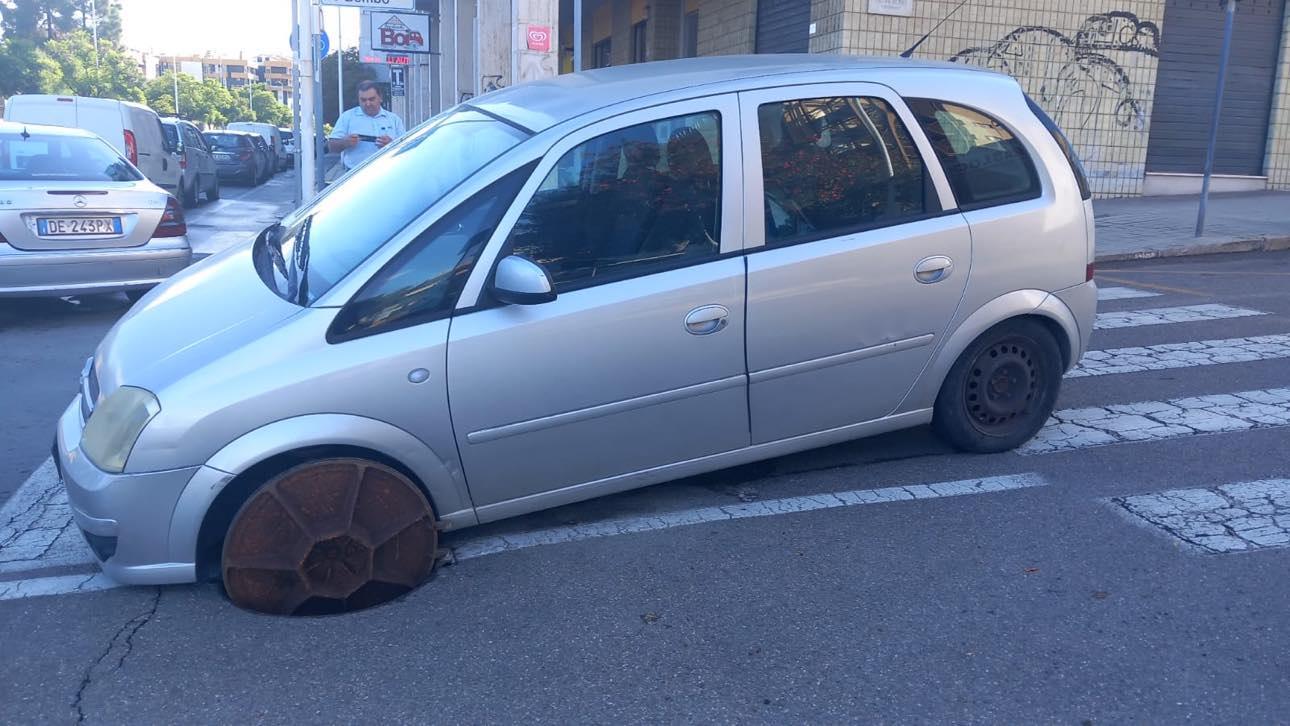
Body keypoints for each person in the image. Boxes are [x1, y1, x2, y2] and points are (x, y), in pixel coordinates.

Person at [326, 81, 406, 172]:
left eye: (371, 99)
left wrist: (391, 144)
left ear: (380, 98)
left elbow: (406, 148)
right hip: (355, 174)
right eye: (363, 100)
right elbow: (331, 146)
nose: (367, 104)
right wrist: (345, 142)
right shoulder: (347, 117)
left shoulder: (394, 120)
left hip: (387, 173)